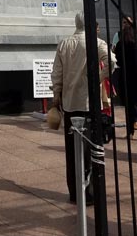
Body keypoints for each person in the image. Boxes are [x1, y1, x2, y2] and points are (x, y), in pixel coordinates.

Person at [51, 12, 111, 205]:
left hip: (69, 103)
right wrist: (98, 79)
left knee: (72, 150)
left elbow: (56, 74)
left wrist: (56, 96)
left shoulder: (64, 44)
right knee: (91, 149)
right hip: (88, 103)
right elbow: (112, 62)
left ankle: (75, 192)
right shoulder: (97, 43)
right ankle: (89, 192)